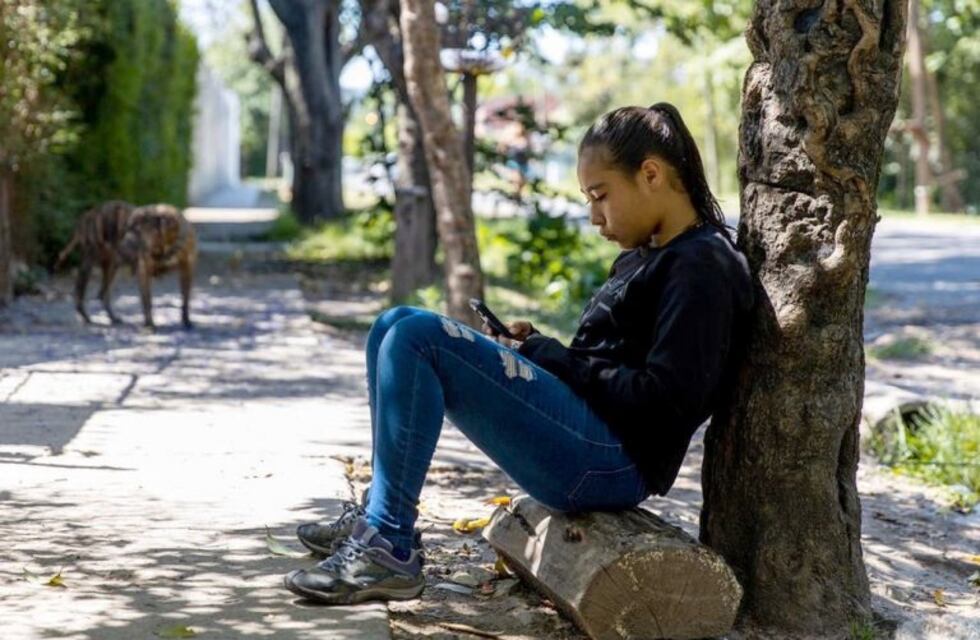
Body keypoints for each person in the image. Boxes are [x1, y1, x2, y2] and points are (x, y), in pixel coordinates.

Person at [282, 102, 755, 605]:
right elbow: (613, 364)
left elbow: (666, 401)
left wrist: (554, 358)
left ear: (651, 174)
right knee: (392, 324)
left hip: (612, 464)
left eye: (601, 196)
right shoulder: (652, 255)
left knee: (416, 334)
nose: (595, 216)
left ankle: (389, 545)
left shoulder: (702, 267)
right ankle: (381, 513)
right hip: (591, 438)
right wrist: (537, 352)